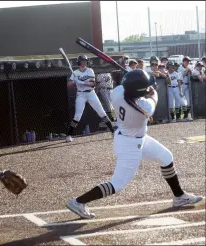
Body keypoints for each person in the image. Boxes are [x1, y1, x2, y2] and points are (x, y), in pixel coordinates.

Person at [65, 70, 203, 219]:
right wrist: (150, 89)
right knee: (117, 184)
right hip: (130, 146)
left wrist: (137, 81)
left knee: (166, 157)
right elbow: (153, 97)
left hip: (133, 138)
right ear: (139, 92)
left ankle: (179, 196)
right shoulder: (144, 107)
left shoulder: (117, 93)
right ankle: (78, 202)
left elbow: (127, 87)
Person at [65, 55, 114, 142]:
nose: (84, 62)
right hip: (80, 95)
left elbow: (92, 83)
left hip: (91, 94)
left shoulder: (90, 70)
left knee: (101, 112)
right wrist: (74, 81)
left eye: (85, 61)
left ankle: (113, 132)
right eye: (82, 61)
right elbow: (68, 85)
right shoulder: (75, 73)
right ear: (79, 62)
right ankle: (69, 135)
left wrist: (81, 82)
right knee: (77, 116)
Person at [177, 56, 193, 121]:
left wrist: (190, 71)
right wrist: (187, 71)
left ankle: (186, 116)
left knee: (189, 101)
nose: (187, 62)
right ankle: (178, 117)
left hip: (187, 86)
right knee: (180, 102)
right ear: (183, 61)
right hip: (182, 85)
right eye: (186, 61)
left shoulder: (189, 67)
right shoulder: (180, 68)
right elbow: (181, 77)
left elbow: (192, 75)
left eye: (188, 61)